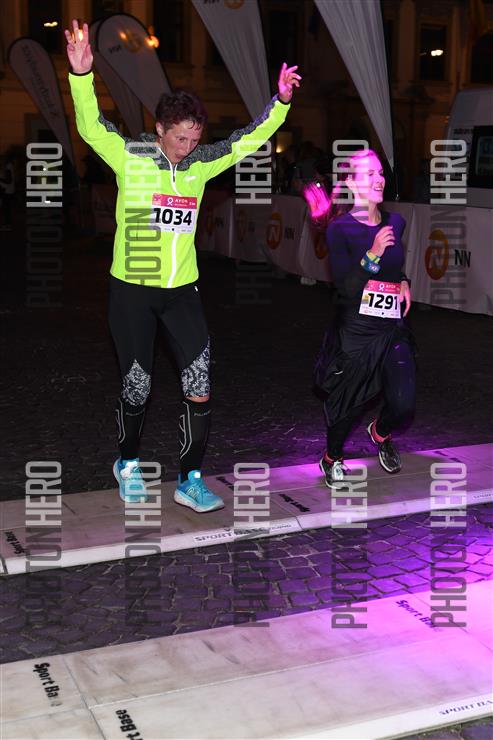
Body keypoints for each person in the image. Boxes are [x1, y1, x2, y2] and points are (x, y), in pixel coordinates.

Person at [65, 20, 301, 509]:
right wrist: (82, 76)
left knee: (199, 384)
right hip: (131, 291)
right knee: (138, 386)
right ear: (159, 130)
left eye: (193, 139)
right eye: (178, 139)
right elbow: (90, 127)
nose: (186, 148)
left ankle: (190, 478)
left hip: (181, 293)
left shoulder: (200, 163)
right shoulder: (130, 155)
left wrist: (279, 103)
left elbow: (246, 140)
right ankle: (128, 463)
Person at [305, 148, 415, 487]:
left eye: (380, 173)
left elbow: (395, 267)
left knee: (403, 403)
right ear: (352, 184)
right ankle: (331, 457)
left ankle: (380, 432)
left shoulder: (396, 222)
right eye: (369, 174)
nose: (379, 179)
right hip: (356, 331)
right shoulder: (340, 230)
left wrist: (403, 281)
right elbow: (346, 288)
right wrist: (373, 254)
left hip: (391, 326)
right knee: (349, 404)